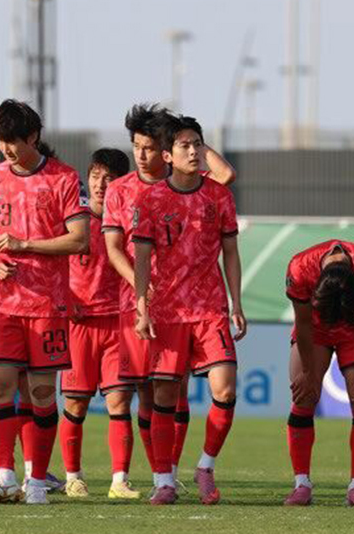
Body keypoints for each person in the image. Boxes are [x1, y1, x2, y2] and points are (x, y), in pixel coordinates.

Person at [102, 104, 235, 483]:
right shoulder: (120, 190)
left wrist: (188, 134)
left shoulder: (189, 178)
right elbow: (114, 249)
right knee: (151, 393)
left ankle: (172, 470)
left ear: (164, 149)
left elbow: (225, 174)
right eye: (136, 147)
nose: (142, 156)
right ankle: (161, 473)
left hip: (194, 303)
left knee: (177, 394)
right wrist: (141, 288)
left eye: (150, 146)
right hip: (140, 302)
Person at [0, 100, 89, 505]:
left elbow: (79, 239)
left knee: (40, 395)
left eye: (13, 142)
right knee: (0, 388)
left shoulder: (64, 179)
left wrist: (26, 245)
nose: (6, 149)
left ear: (34, 137)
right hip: (2, 305)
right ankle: (5, 475)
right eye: (1, 141)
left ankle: (37, 481)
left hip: (46, 306)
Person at [132, 115, 244, 506]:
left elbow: (230, 251)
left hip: (210, 307)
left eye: (198, 144)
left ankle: (206, 466)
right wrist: (141, 306)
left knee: (225, 386)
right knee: (164, 394)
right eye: (185, 146)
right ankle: (164, 479)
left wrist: (236, 303)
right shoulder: (149, 199)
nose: (194, 151)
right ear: (168, 155)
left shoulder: (219, 196)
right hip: (166, 311)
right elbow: (142, 258)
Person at [59, 148, 138, 499]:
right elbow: (54, 265)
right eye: (96, 176)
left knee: (119, 403)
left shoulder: (128, 224)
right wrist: (66, 298)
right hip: (79, 325)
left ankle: (119, 480)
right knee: (75, 404)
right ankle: (73, 477)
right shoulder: (73, 221)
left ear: (121, 181)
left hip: (119, 325)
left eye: (109, 177)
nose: (101, 183)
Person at [283, 240, 354, 507]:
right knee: (303, 395)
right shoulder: (299, 268)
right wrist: (307, 371)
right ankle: (301, 484)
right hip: (315, 329)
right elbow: (303, 323)